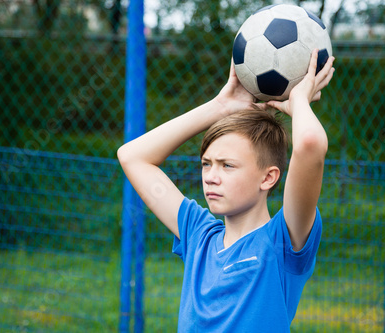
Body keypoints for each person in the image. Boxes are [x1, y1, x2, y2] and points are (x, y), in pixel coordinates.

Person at [117, 49, 335, 332]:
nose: (211, 177)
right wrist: (220, 106)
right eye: (206, 164)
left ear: (268, 178)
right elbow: (132, 156)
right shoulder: (199, 235)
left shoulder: (283, 241)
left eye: (227, 166)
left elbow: (310, 145)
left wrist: (298, 102)